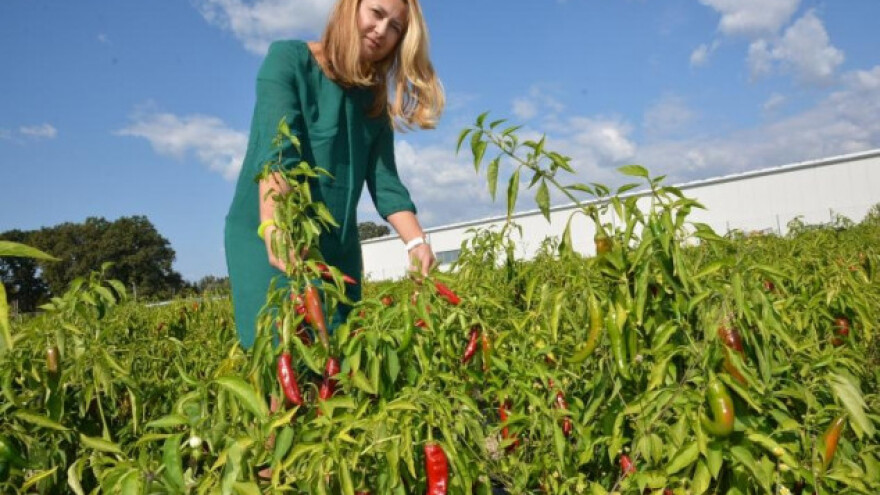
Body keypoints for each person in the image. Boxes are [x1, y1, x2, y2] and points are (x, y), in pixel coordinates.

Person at [224, 0, 443, 349]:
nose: (383, 31)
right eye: (376, 13)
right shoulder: (288, 61)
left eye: (397, 28)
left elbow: (385, 182)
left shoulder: (372, 99)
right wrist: (275, 225)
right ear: (350, 8)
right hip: (272, 231)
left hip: (337, 246)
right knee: (282, 354)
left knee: (341, 357)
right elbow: (278, 152)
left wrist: (417, 243)